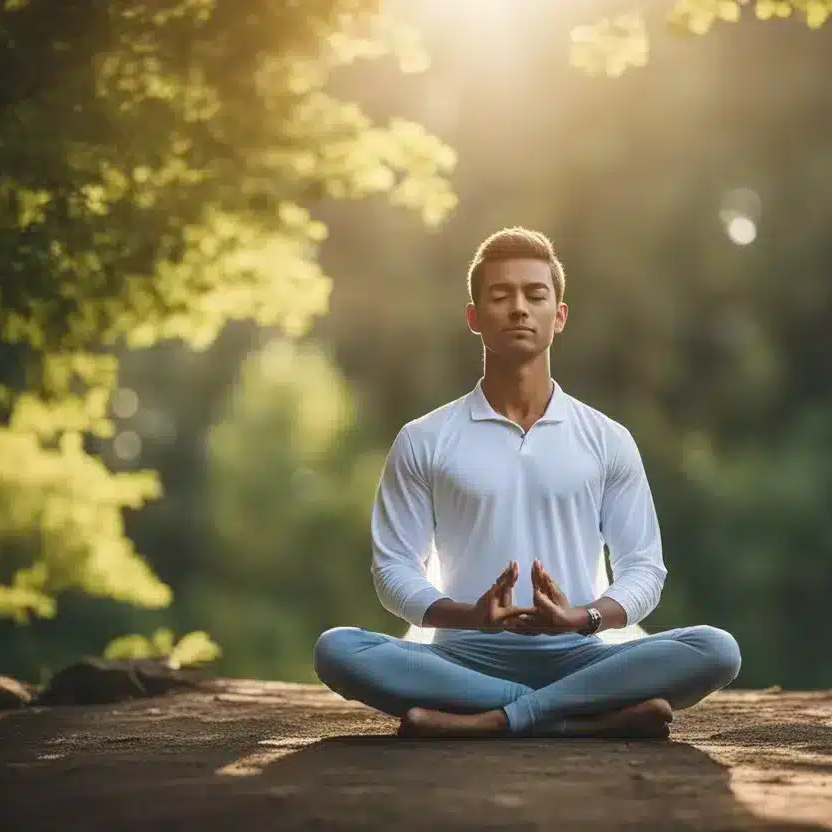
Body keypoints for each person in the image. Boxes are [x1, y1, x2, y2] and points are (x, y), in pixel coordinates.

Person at [313, 227, 742, 738]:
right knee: (338, 649)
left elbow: (644, 569)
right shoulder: (424, 438)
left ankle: (495, 718)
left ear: (559, 316)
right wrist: (471, 616)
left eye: (535, 295)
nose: (519, 308)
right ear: (474, 317)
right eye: (500, 296)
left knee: (715, 649)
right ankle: (578, 718)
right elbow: (393, 569)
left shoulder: (607, 439)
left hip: (580, 655)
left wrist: (582, 618)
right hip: (462, 658)